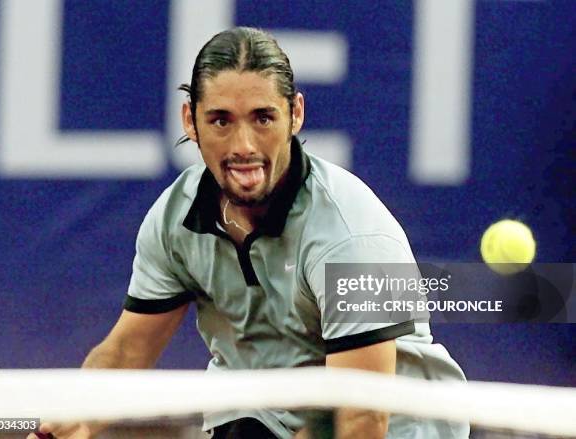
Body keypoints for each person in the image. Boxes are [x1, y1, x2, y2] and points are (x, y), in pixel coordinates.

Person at [32, 27, 468, 439]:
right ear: (190, 120)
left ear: (295, 114)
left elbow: (362, 415)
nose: (243, 144)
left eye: (263, 118)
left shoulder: (354, 237)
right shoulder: (175, 218)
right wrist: (79, 418)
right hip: (263, 415)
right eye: (221, 120)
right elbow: (128, 350)